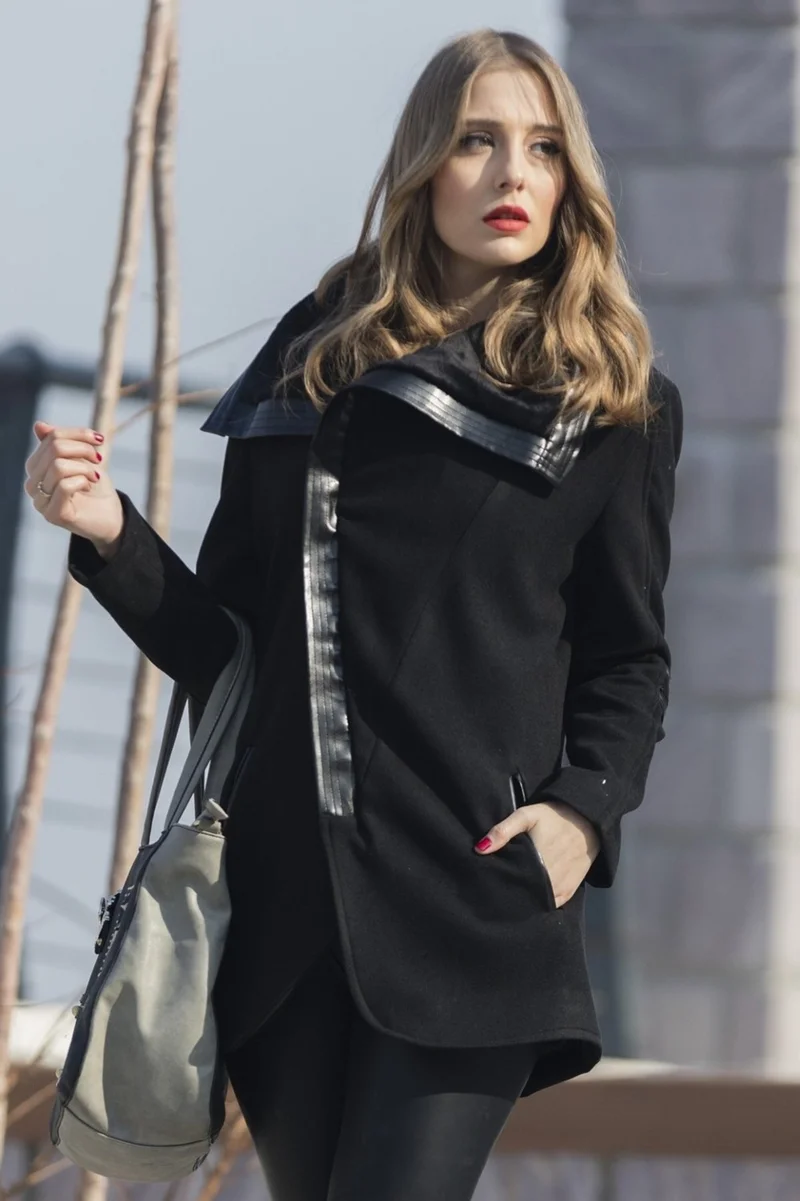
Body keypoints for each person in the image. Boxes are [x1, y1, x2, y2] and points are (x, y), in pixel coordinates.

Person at [24, 27, 683, 1201]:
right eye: (476, 141)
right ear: (422, 164)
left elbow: (627, 657)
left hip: (472, 902)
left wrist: (578, 815)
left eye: (541, 148)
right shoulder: (309, 360)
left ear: (570, 179)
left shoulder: (608, 401)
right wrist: (106, 529)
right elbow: (225, 649)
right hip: (286, 909)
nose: (512, 173)